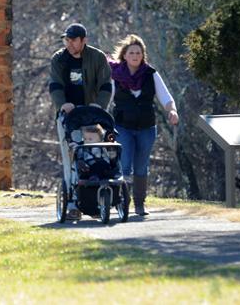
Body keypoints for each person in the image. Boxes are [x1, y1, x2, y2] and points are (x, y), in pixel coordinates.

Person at [108, 34, 179, 217]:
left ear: (143, 55)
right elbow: (106, 99)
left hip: (146, 128)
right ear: (125, 55)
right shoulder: (115, 75)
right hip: (123, 126)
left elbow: (165, 96)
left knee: (141, 167)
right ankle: (123, 201)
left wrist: (172, 111)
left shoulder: (150, 74)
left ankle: (139, 204)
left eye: (138, 53)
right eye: (131, 52)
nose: (135, 56)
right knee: (125, 166)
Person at [50, 23, 113, 219]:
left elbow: (106, 85)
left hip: (92, 115)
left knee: (94, 154)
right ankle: (72, 205)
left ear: (83, 41)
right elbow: (55, 85)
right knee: (71, 157)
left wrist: (99, 106)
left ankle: (95, 201)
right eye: (66, 40)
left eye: (73, 40)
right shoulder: (59, 59)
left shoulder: (97, 57)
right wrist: (63, 104)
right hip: (69, 116)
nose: (68, 43)